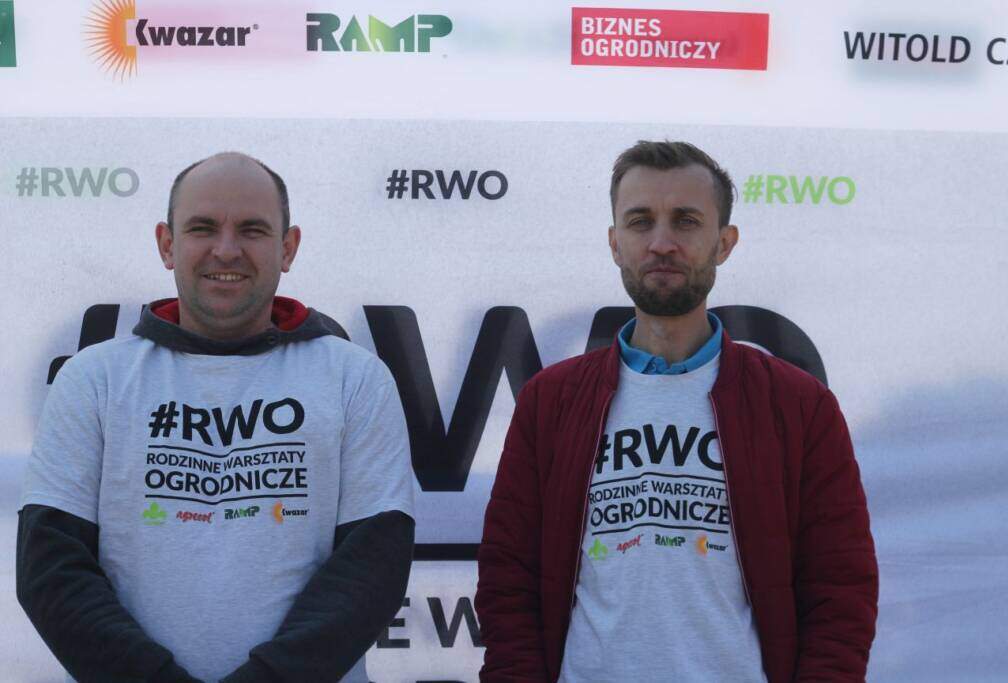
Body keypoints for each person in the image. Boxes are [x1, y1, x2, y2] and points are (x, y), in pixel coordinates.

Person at [475, 140, 878, 682]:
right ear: (615, 243)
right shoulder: (551, 402)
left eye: (686, 221)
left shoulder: (800, 407)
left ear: (724, 243)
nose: (661, 243)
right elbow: (508, 579)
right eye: (640, 221)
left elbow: (841, 588)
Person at [17, 152, 415, 683]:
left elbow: (372, 569)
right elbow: (50, 569)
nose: (226, 250)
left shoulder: (355, 379)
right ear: (167, 244)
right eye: (202, 228)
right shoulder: (94, 378)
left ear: (288, 248)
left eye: (252, 229)